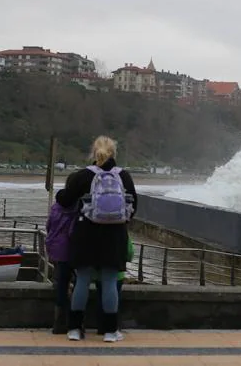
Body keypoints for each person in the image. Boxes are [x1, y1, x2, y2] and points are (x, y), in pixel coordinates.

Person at [56, 135, 138, 342]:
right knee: (110, 281)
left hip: (86, 234)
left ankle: (75, 329)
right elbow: (133, 207)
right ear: (114, 153)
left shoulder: (83, 176)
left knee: (82, 280)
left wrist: (60, 194)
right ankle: (110, 331)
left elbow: (65, 201)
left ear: (94, 153)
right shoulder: (124, 176)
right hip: (115, 235)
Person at [45, 173, 79, 334]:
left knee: (60, 285)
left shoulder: (56, 206)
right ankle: (76, 323)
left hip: (57, 251)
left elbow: (49, 225)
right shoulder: (78, 206)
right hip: (74, 251)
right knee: (79, 285)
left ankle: (58, 323)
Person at [94, 234, 134, 335]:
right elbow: (129, 253)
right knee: (114, 298)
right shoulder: (121, 229)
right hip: (117, 273)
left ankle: (101, 326)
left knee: (100, 298)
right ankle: (112, 327)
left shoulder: (96, 227)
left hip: (99, 272)